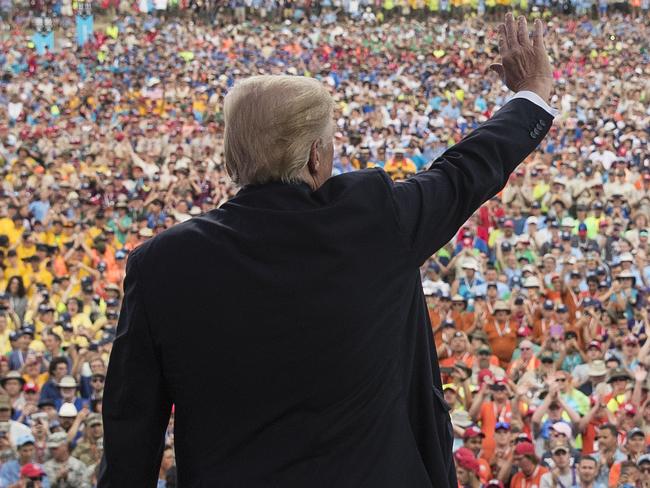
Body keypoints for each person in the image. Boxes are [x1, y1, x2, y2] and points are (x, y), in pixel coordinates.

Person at [98, 14, 556, 487]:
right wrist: (533, 89)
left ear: (233, 160)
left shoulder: (161, 265)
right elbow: (466, 170)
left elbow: (131, 436)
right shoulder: (373, 219)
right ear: (316, 156)